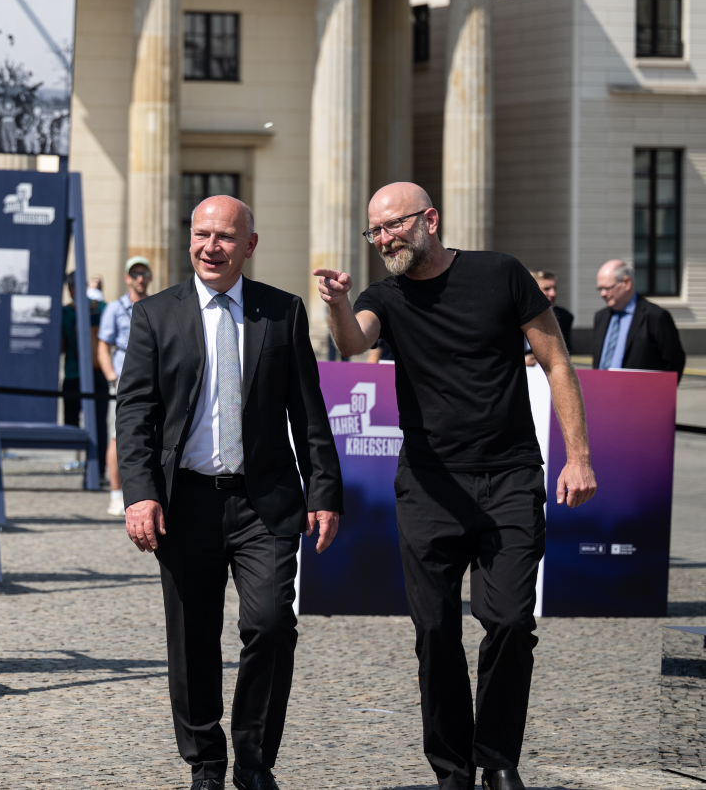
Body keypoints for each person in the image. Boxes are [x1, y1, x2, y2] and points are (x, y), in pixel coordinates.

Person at [314, 182, 598, 790]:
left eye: (394, 225)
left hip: (510, 477)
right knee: (436, 630)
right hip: (427, 485)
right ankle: (452, 768)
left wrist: (579, 456)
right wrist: (336, 303)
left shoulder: (501, 274)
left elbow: (556, 362)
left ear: (430, 220)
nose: (384, 238)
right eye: (376, 231)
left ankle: (496, 757)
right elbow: (352, 341)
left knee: (512, 622)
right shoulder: (382, 296)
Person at [118, 195, 342, 790]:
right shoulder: (155, 316)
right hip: (184, 502)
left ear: (250, 243)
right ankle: (206, 763)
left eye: (223, 236)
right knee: (192, 636)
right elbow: (135, 413)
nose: (209, 247)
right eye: (200, 234)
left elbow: (309, 412)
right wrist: (139, 494)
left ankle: (255, 760)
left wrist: (325, 492)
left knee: (270, 625)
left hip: (262, 503)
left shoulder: (282, 312)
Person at [97, 256, 153, 515]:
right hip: (123, 381)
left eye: (144, 273)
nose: (140, 278)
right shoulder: (114, 308)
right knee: (117, 438)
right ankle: (115, 493)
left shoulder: (156, 306)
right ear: (128, 278)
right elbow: (103, 346)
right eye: (135, 274)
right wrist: (111, 378)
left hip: (151, 381)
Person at [592, 259, 685, 381]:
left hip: (641, 397)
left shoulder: (655, 316)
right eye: (600, 289)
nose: (602, 294)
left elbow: (674, 362)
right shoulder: (601, 317)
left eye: (608, 288)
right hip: (601, 395)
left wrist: (659, 395)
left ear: (627, 283)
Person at [61, 272, 107, 457]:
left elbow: (62, 345)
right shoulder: (101, 307)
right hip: (94, 370)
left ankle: (81, 459)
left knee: (74, 421)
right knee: (97, 423)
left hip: (76, 372)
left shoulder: (66, 312)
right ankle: (95, 465)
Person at [523, 270, 574, 368]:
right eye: (547, 289)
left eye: (554, 288)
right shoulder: (511, 317)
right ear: (531, 291)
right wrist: (522, 363)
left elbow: (565, 357)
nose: (553, 293)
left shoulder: (564, 317)